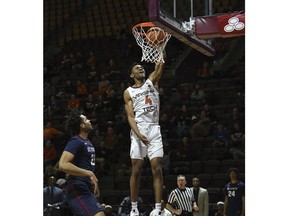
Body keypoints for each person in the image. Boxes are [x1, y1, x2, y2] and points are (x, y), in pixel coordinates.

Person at [123, 51, 167, 216]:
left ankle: (157, 209)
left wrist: (160, 48)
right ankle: (134, 208)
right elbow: (130, 116)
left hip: (154, 128)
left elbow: (160, 65)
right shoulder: (128, 92)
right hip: (138, 129)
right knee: (137, 169)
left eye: (141, 67)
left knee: (156, 167)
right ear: (131, 74)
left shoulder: (151, 81)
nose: (140, 69)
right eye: (137, 68)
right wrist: (138, 133)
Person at [58, 108, 104, 216]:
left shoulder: (87, 142)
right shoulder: (76, 141)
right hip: (77, 187)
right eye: (86, 120)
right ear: (82, 126)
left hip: (86, 186)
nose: (89, 121)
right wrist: (89, 173)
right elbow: (63, 164)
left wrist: (93, 183)